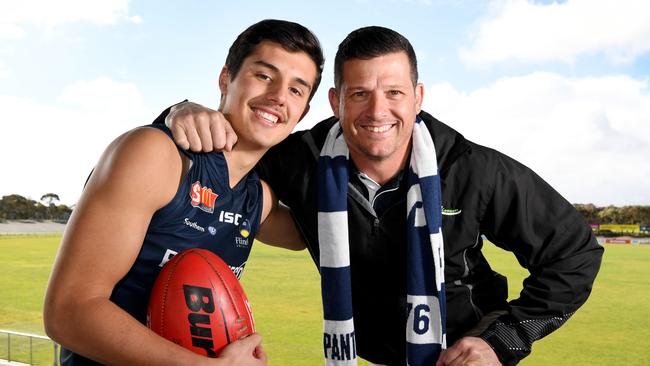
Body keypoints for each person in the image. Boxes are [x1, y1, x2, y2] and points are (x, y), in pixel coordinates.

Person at [163, 26, 603, 366]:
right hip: (365, 352)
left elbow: (575, 253)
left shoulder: (471, 167)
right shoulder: (300, 159)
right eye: (359, 94)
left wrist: (502, 341)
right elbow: (221, 155)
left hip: (459, 354)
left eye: (394, 92)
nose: (378, 112)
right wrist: (178, 111)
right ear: (335, 102)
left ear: (418, 98)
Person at [43, 19, 324, 366]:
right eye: (264, 76)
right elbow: (68, 312)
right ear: (226, 79)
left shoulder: (259, 198)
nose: (278, 97)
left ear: (304, 112)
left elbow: (310, 233)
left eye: (296, 90)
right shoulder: (155, 155)